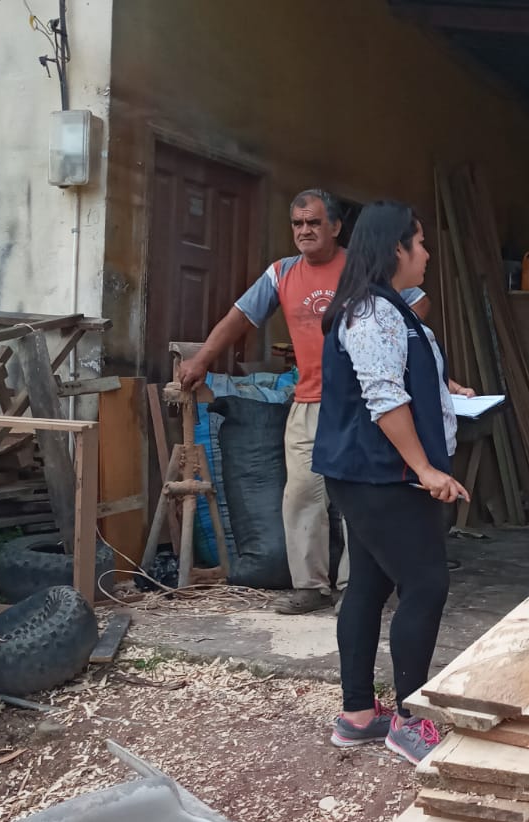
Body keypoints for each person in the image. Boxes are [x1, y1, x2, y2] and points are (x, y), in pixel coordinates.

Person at [176, 189, 426, 615]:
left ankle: (356, 589)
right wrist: (201, 360)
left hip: (358, 405)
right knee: (301, 496)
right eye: (297, 224)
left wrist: (394, 352)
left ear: (336, 227)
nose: (305, 231)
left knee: (355, 499)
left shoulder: (362, 266)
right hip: (308, 401)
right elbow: (240, 317)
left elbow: (417, 303)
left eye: (314, 222)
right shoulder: (282, 273)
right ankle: (311, 587)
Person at [312, 200, 474, 764]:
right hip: (382, 475)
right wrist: (426, 469)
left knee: (369, 583)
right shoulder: (373, 313)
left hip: (368, 472)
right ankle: (409, 719)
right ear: (395, 248)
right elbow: (384, 399)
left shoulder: (388, 309)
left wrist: (447, 394)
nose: (426, 253)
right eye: (420, 242)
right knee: (425, 583)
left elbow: (396, 380)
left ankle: (358, 714)